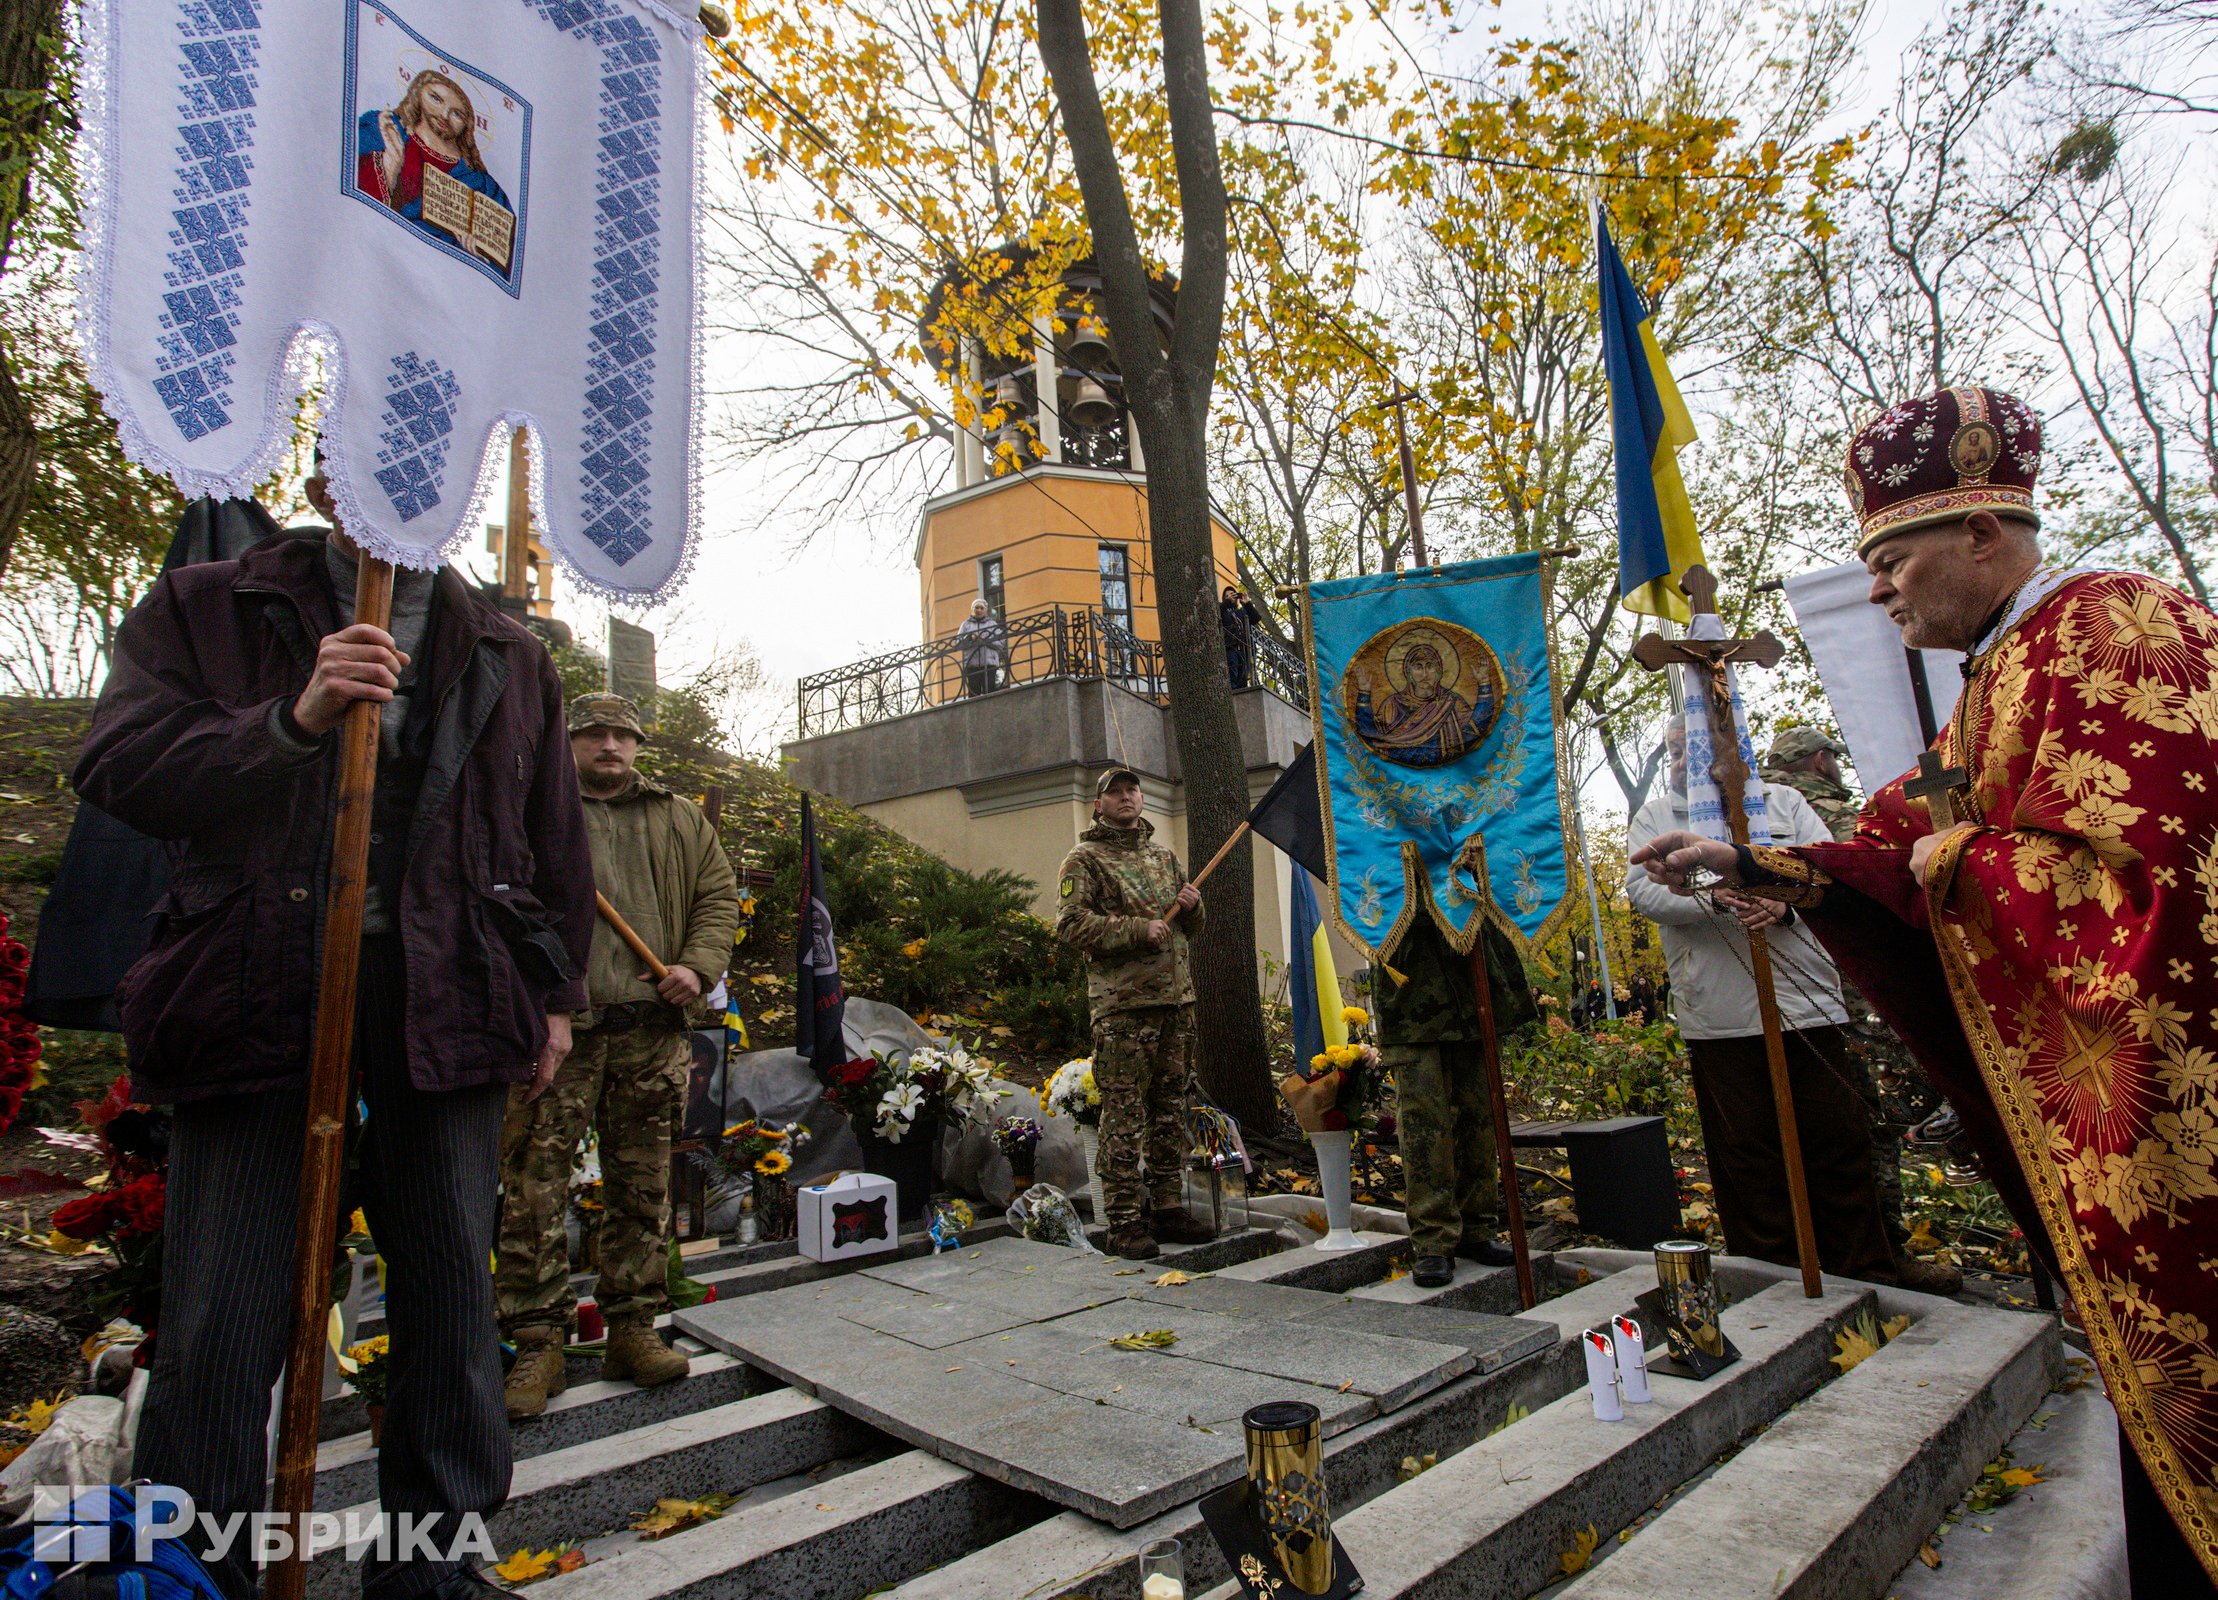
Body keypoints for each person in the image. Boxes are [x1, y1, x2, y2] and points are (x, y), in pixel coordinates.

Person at [1632, 383, 2218, 1594]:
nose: (1881, 587)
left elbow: (2155, 882)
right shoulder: (1995, 675)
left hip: (2169, 1126)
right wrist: (1757, 865)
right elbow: (1897, 848)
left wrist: (1940, 862)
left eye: (1893, 559)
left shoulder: (2118, 629)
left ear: (1983, 536)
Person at [73, 464, 593, 1600]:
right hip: (254, 998)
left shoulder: (510, 649)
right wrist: (290, 721)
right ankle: (191, 1572)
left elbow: (553, 841)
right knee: (223, 1310)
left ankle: (435, 1574)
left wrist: (555, 998)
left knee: (453, 1300)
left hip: (448, 1007)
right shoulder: (211, 604)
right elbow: (116, 765)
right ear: (325, 472)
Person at [496, 693, 739, 1418]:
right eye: (594, 733)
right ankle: (537, 1343)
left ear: (638, 745)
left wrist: (696, 965)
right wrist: (544, 1003)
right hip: (557, 1031)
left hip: (649, 1029)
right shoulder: (535, 810)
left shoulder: (677, 817)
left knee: (642, 1186)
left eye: (622, 735)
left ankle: (633, 1328)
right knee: (534, 1186)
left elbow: (717, 898)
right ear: (567, 741)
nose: (610, 745)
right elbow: (504, 900)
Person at [1624, 715, 1895, 1286]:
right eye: (1671, 753)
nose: (1680, 763)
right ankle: (1768, 1275)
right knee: (1747, 1153)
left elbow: (1828, 870)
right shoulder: (1656, 815)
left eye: (1692, 750)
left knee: (1835, 1143)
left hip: (1803, 1000)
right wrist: (1722, 900)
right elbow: (1645, 891)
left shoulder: (1785, 802)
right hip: (1719, 1011)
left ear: (1731, 752)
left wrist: (1784, 900)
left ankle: (1864, 1272)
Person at [1760, 725, 1959, 1296]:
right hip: (1853, 989)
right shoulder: (1833, 812)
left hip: (1776, 998)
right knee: (1871, 1117)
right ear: (1822, 761)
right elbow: (1878, 881)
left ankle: (1810, 1248)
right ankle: (1882, 1250)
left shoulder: (1744, 802)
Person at [1054, 768, 1216, 1259]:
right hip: (1124, 1009)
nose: (1126, 797)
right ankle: (1123, 1219)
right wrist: (1136, 930)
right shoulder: (1084, 860)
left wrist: (1192, 906)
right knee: (1124, 1114)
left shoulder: (1164, 857)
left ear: (1142, 798)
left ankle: (1167, 1205)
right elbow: (1070, 925)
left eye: (1132, 789)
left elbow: (1194, 928)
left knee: (1170, 1108)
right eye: (1114, 792)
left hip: (1176, 1001)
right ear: (1098, 805)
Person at [1376, 911, 1534, 1287]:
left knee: (1480, 1119)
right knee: (1424, 1127)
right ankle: (1433, 1241)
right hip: (1412, 999)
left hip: (1472, 985)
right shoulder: (1377, 851)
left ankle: (1477, 1229)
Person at [358, 70, 515, 271]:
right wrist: (389, 165)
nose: (444, 115)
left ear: (467, 124)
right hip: (371, 258)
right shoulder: (381, 129)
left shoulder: (483, 185)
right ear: (417, 93)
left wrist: (476, 255)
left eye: (457, 113)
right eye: (436, 98)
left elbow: (506, 260)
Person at [957, 598, 1004, 697]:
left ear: (986, 610)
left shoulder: (992, 624)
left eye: (981, 608)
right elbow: (958, 643)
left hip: (990, 663)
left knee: (990, 692)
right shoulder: (966, 625)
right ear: (972, 610)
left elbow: (1001, 643)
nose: (979, 610)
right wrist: (970, 638)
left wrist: (984, 640)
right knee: (974, 694)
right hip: (972, 665)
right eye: (976, 608)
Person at [1220, 584, 1262, 688]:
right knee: (1233, 673)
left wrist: (1247, 603)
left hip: (1244, 649)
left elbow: (1256, 618)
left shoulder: (1241, 612)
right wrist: (1227, 602)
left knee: (1243, 675)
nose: (1230, 596)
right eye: (1227, 595)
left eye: (1232, 594)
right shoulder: (1222, 611)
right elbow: (1219, 610)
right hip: (1231, 647)